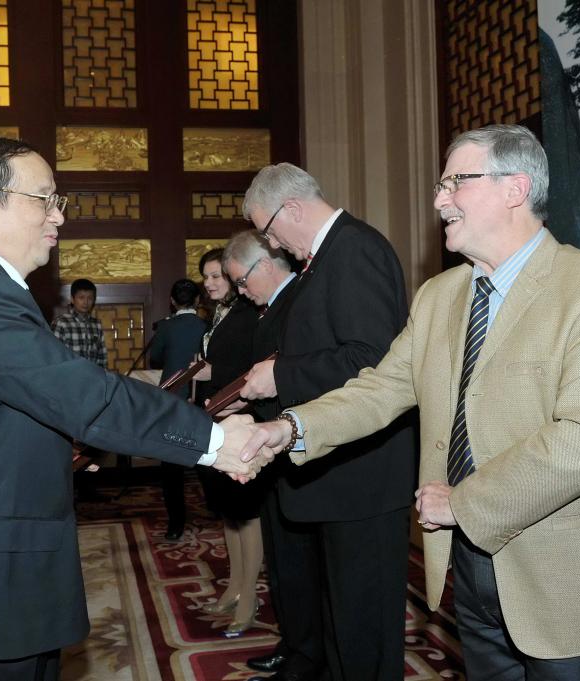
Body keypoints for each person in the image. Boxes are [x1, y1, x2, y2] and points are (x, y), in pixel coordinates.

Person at [242, 124, 580, 681]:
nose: (439, 200)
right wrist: (289, 429)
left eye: (456, 182)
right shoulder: (439, 295)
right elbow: (382, 387)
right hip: (469, 569)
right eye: (441, 185)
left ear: (515, 188)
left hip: (565, 580)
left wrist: (463, 504)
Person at [0, 136, 265, 680]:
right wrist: (217, 441)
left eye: (58, 200)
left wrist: (60, 444)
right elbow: (86, 395)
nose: (58, 216)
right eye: (44, 199)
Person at [237, 162, 416, 681]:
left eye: (269, 230)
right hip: (337, 471)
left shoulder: (355, 249)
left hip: (364, 478)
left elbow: (372, 360)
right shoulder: (325, 257)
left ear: (291, 208)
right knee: (342, 624)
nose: (272, 244)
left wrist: (281, 375)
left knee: (364, 631)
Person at [220, 232, 301, 674]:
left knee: (297, 565)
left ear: (264, 265)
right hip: (272, 446)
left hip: (295, 446)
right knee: (285, 563)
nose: (241, 290)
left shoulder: (296, 301)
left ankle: (301, 651)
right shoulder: (269, 308)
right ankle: (294, 645)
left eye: (241, 280)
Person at [192, 247, 264, 637]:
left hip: (242, 422)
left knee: (247, 514)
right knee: (228, 513)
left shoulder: (248, 314)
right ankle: (235, 587)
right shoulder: (219, 315)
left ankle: (250, 596)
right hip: (216, 421)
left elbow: (249, 369)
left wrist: (213, 372)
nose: (209, 283)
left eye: (216, 276)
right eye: (205, 277)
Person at [149, 278, 209, 540]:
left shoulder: (166, 326)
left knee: (171, 463)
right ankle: (217, 507)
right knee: (208, 452)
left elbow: (155, 358)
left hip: (172, 398)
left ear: (172, 302)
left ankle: (176, 524)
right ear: (198, 300)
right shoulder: (207, 326)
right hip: (201, 397)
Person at [52, 277, 107, 368]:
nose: (86, 302)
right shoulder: (61, 323)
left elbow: (102, 357)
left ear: (94, 300)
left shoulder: (96, 324)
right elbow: (55, 354)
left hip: (92, 374)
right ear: (72, 299)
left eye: (90, 298)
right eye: (81, 297)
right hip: (70, 373)